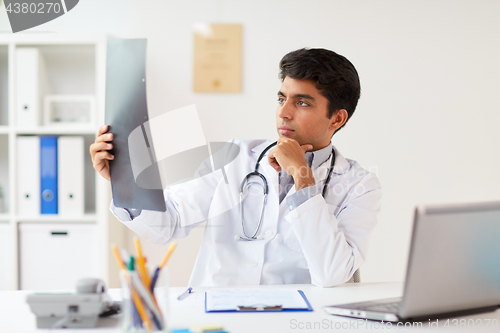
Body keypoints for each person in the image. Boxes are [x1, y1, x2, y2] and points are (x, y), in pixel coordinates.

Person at [90, 48, 382, 287]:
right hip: (220, 317)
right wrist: (123, 181)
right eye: (282, 98)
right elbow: (169, 223)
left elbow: (332, 274)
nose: (284, 112)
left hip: (297, 320)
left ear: (336, 119)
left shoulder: (359, 184)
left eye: (302, 103)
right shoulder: (235, 155)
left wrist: (303, 178)